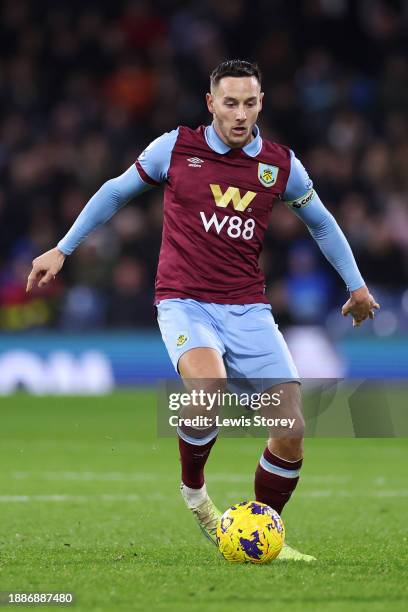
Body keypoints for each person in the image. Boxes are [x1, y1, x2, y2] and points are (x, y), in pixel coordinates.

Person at [26, 60, 379, 562]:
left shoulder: (281, 164)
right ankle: (194, 492)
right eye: (229, 103)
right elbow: (115, 192)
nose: (240, 114)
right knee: (207, 388)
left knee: (292, 429)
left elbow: (322, 225)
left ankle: (257, 532)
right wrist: (63, 248)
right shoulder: (175, 147)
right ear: (210, 103)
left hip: (249, 308)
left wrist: (357, 286)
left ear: (262, 104)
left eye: (249, 103)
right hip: (185, 301)